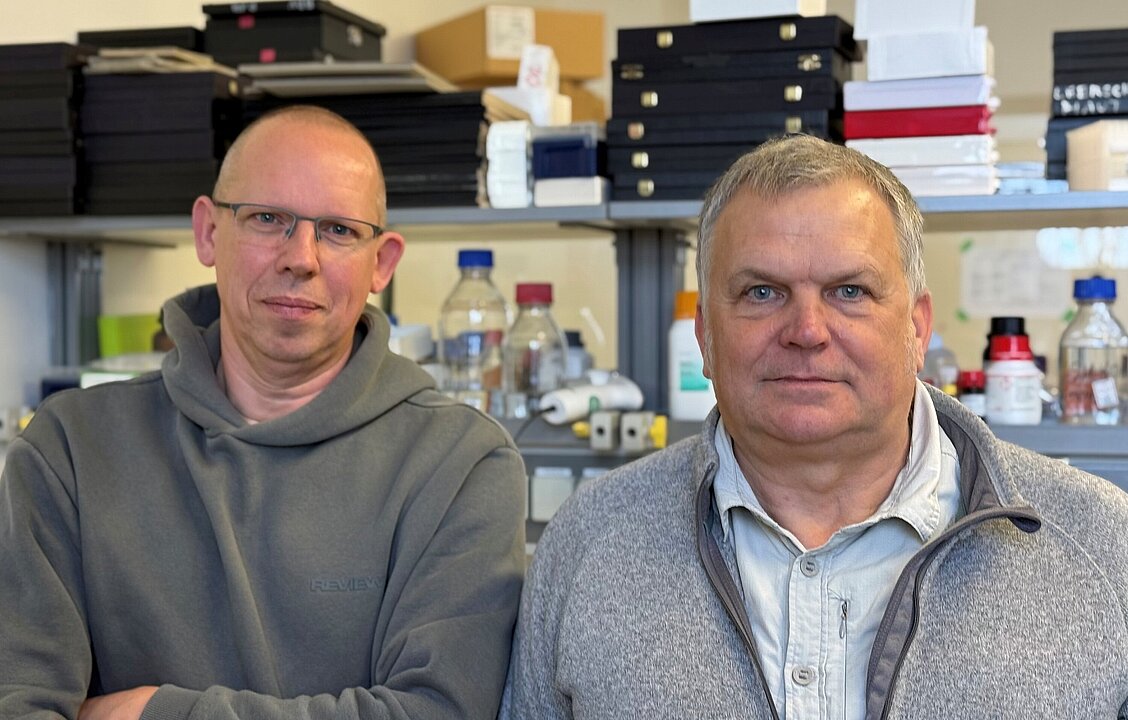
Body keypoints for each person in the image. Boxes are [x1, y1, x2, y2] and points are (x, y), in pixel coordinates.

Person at [500, 134, 1128, 719]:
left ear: (916, 328)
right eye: (762, 293)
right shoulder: (589, 539)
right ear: (706, 338)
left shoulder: (1102, 544)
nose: (806, 331)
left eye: (849, 291)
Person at [0, 106, 527, 720]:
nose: (299, 257)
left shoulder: (461, 465)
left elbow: (438, 713)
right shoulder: (69, 450)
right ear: (208, 233)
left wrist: (152, 713)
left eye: (337, 230)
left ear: (381, 262)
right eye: (268, 218)